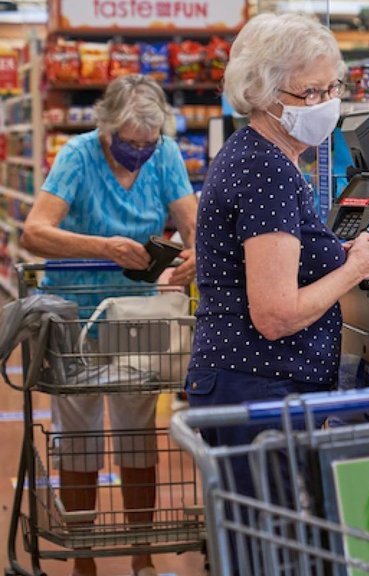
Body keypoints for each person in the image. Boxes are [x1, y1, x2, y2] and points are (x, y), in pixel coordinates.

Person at [185, 13, 369, 455]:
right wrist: (355, 267)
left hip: (253, 384)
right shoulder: (265, 168)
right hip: (261, 388)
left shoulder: (259, 155)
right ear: (263, 94)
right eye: (310, 92)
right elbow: (275, 315)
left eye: (332, 88)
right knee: (270, 523)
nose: (325, 103)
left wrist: (335, 252)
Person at [20, 74, 198, 576]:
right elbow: (35, 230)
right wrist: (103, 247)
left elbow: (193, 222)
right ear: (105, 130)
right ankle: (84, 558)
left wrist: (195, 257)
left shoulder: (164, 155)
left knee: (138, 435)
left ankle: (142, 554)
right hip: (74, 314)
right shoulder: (77, 155)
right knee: (78, 439)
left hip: (136, 314)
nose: (138, 152)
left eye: (147, 143)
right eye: (128, 143)